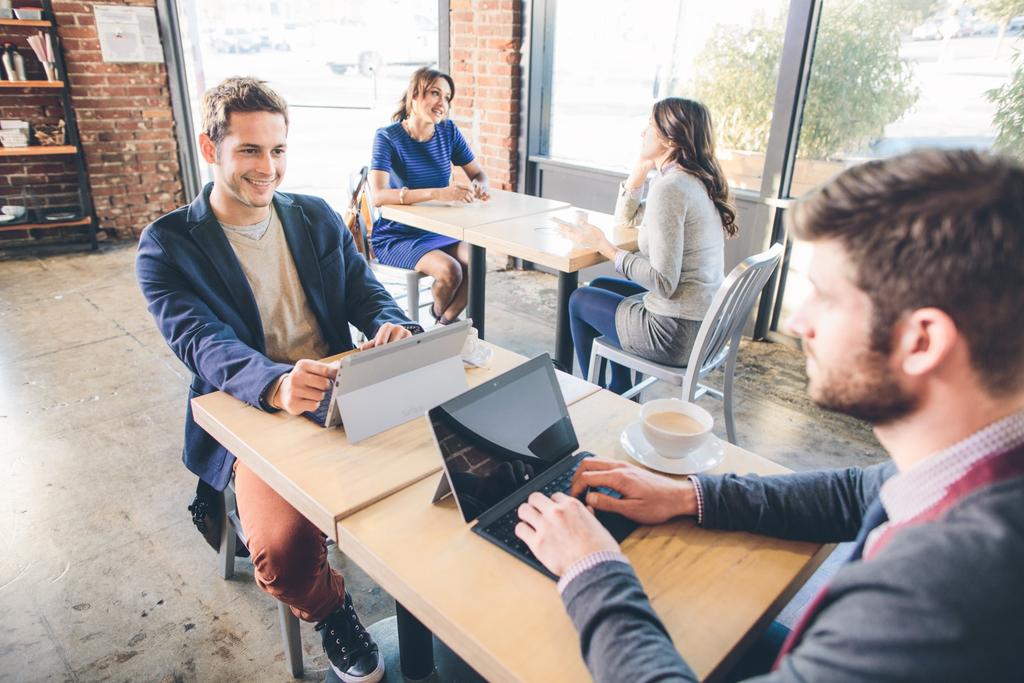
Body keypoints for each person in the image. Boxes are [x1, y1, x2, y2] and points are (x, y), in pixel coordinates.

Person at [515, 149, 1024, 681]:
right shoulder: (972, 461)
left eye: (825, 298)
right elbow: (857, 492)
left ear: (922, 341)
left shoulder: (945, 590)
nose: (800, 321)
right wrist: (687, 495)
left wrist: (591, 567)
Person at [136, 77, 421, 683]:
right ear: (211, 150)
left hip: (345, 390)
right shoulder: (167, 246)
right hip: (255, 412)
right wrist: (274, 383)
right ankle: (333, 610)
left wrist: (392, 323)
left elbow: (365, 291)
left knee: (448, 474)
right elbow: (201, 343)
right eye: (250, 151)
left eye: (278, 150)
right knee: (285, 557)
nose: (269, 168)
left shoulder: (312, 215)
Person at [556, 97, 737, 394]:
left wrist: (603, 245)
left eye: (650, 126)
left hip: (674, 334)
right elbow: (626, 220)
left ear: (670, 139)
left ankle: (599, 397)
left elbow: (663, 282)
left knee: (578, 300)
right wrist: (638, 174)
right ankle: (621, 390)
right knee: (602, 283)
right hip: (702, 327)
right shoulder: (691, 181)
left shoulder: (671, 188)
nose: (642, 133)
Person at [368, 66, 490, 325]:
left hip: (439, 228)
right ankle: (443, 324)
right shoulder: (388, 137)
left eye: (447, 97)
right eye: (435, 93)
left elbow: (479, 174)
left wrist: (481, 187)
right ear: (414, 95)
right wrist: (439, 193)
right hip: (398, 234)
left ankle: (441, 323)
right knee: (451, 270)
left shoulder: (448, 132)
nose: (442, 103)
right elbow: (378, 195)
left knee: (476, 262)